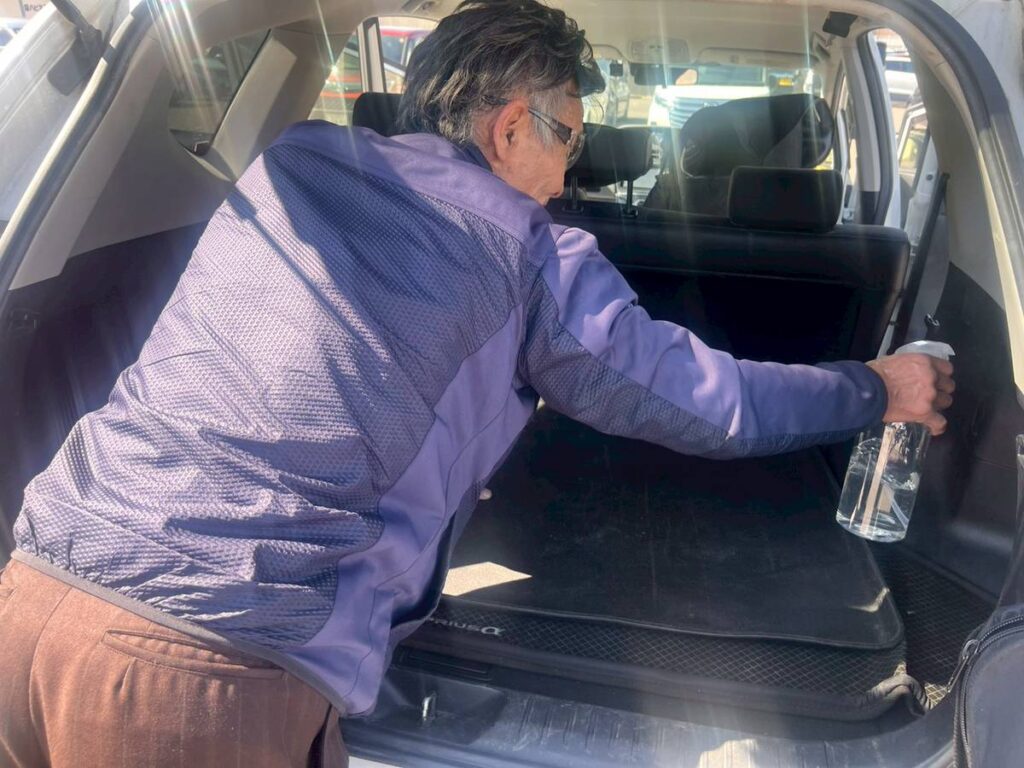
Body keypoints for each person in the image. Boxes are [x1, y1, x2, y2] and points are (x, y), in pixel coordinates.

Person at [0, 1, 954, 766]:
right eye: (568, 138)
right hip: (206, 665)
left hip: (38, 589)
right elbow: (708, 403)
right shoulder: (527, 252)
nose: (567, 175)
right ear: (509, 128)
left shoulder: (285, 164)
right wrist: (876, 387)